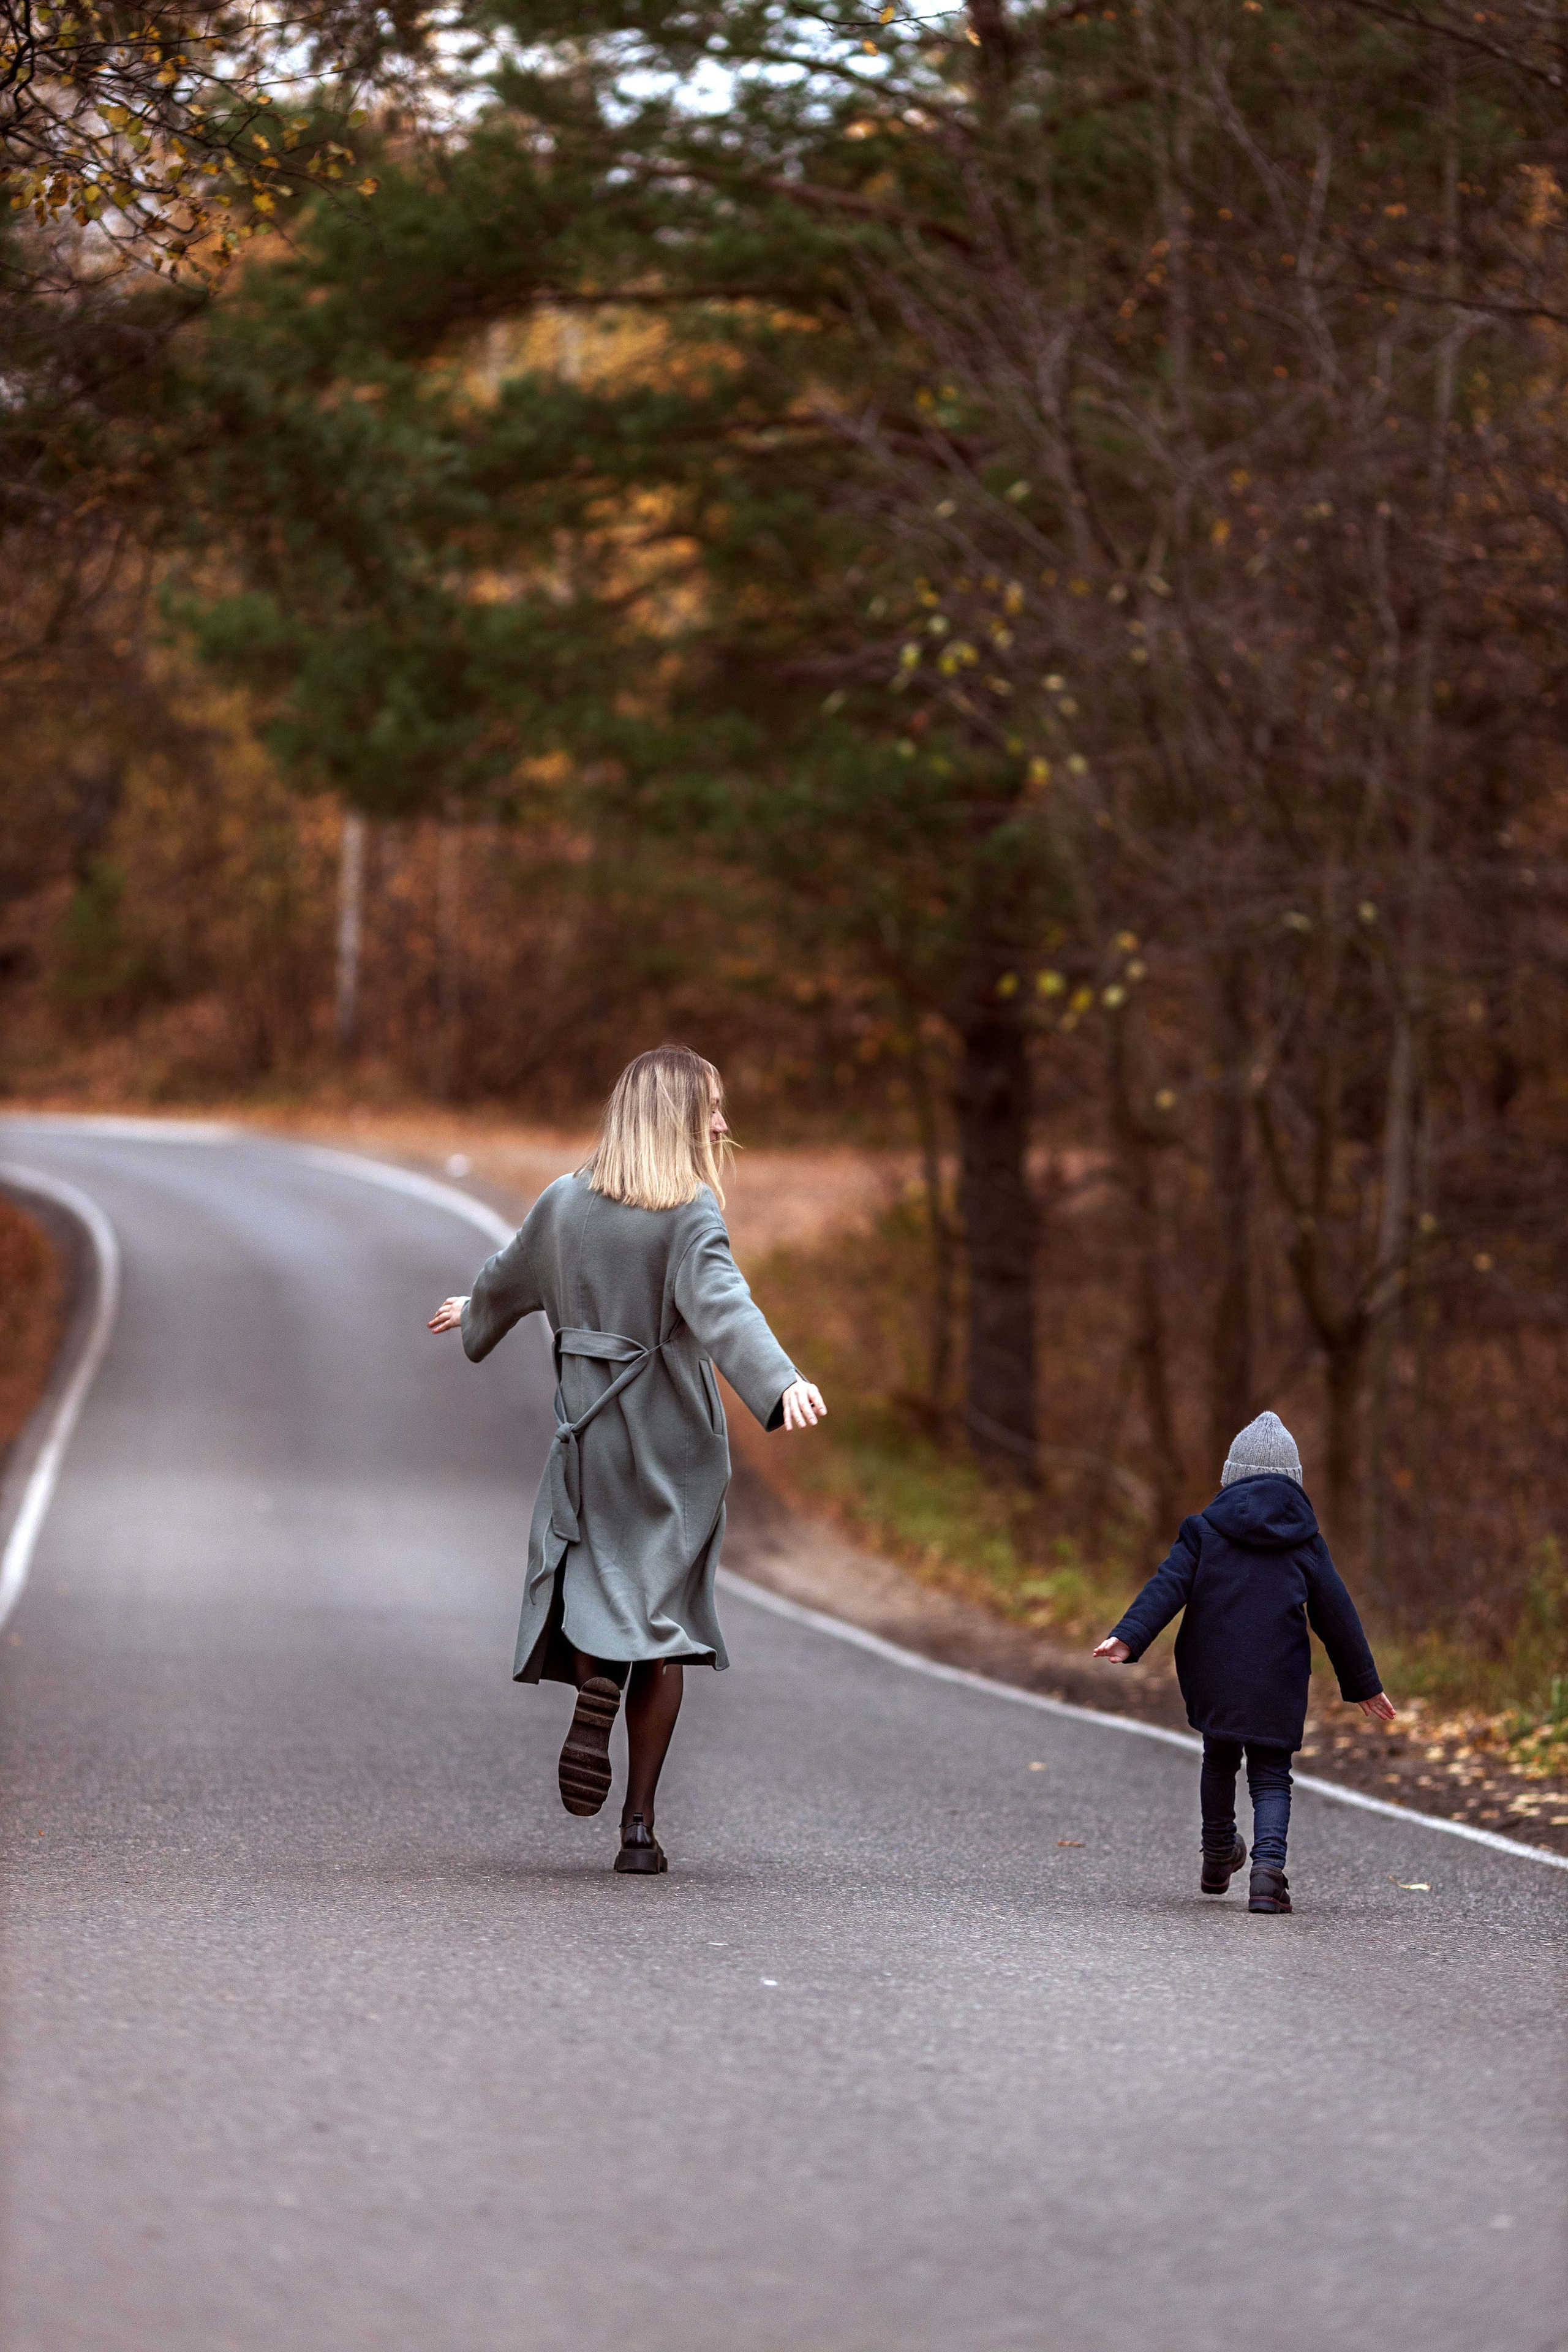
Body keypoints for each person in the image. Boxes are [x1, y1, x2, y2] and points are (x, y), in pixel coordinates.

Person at [428, 1044, 826, 1874]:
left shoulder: (563, 1202)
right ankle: (639, 1827)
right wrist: (779, 1383)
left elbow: (510, 1279)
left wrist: (476, 1310)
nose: (722, 1123)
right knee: (661, 1627)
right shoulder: (690, 1216)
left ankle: (594, 1675)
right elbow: (727, 1311)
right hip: (668, 1447)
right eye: (711, 1108)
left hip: (587, 1437)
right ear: (673, 1117)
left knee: (597, 1585)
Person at [1091, 1410, 1394, 1913]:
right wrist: (1363, 1683)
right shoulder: (1307, 1544)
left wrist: (1128, 1636)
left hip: (1214, 1672)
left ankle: (1217, 1855)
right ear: (1293, 1483)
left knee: (1220, 1758)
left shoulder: (1203, 1533)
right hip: (1278, 1678)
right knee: (1272, 1775)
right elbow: (1338, 1617)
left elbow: (1166, 1587)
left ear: (1231, 1477)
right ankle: (1267, 1877)